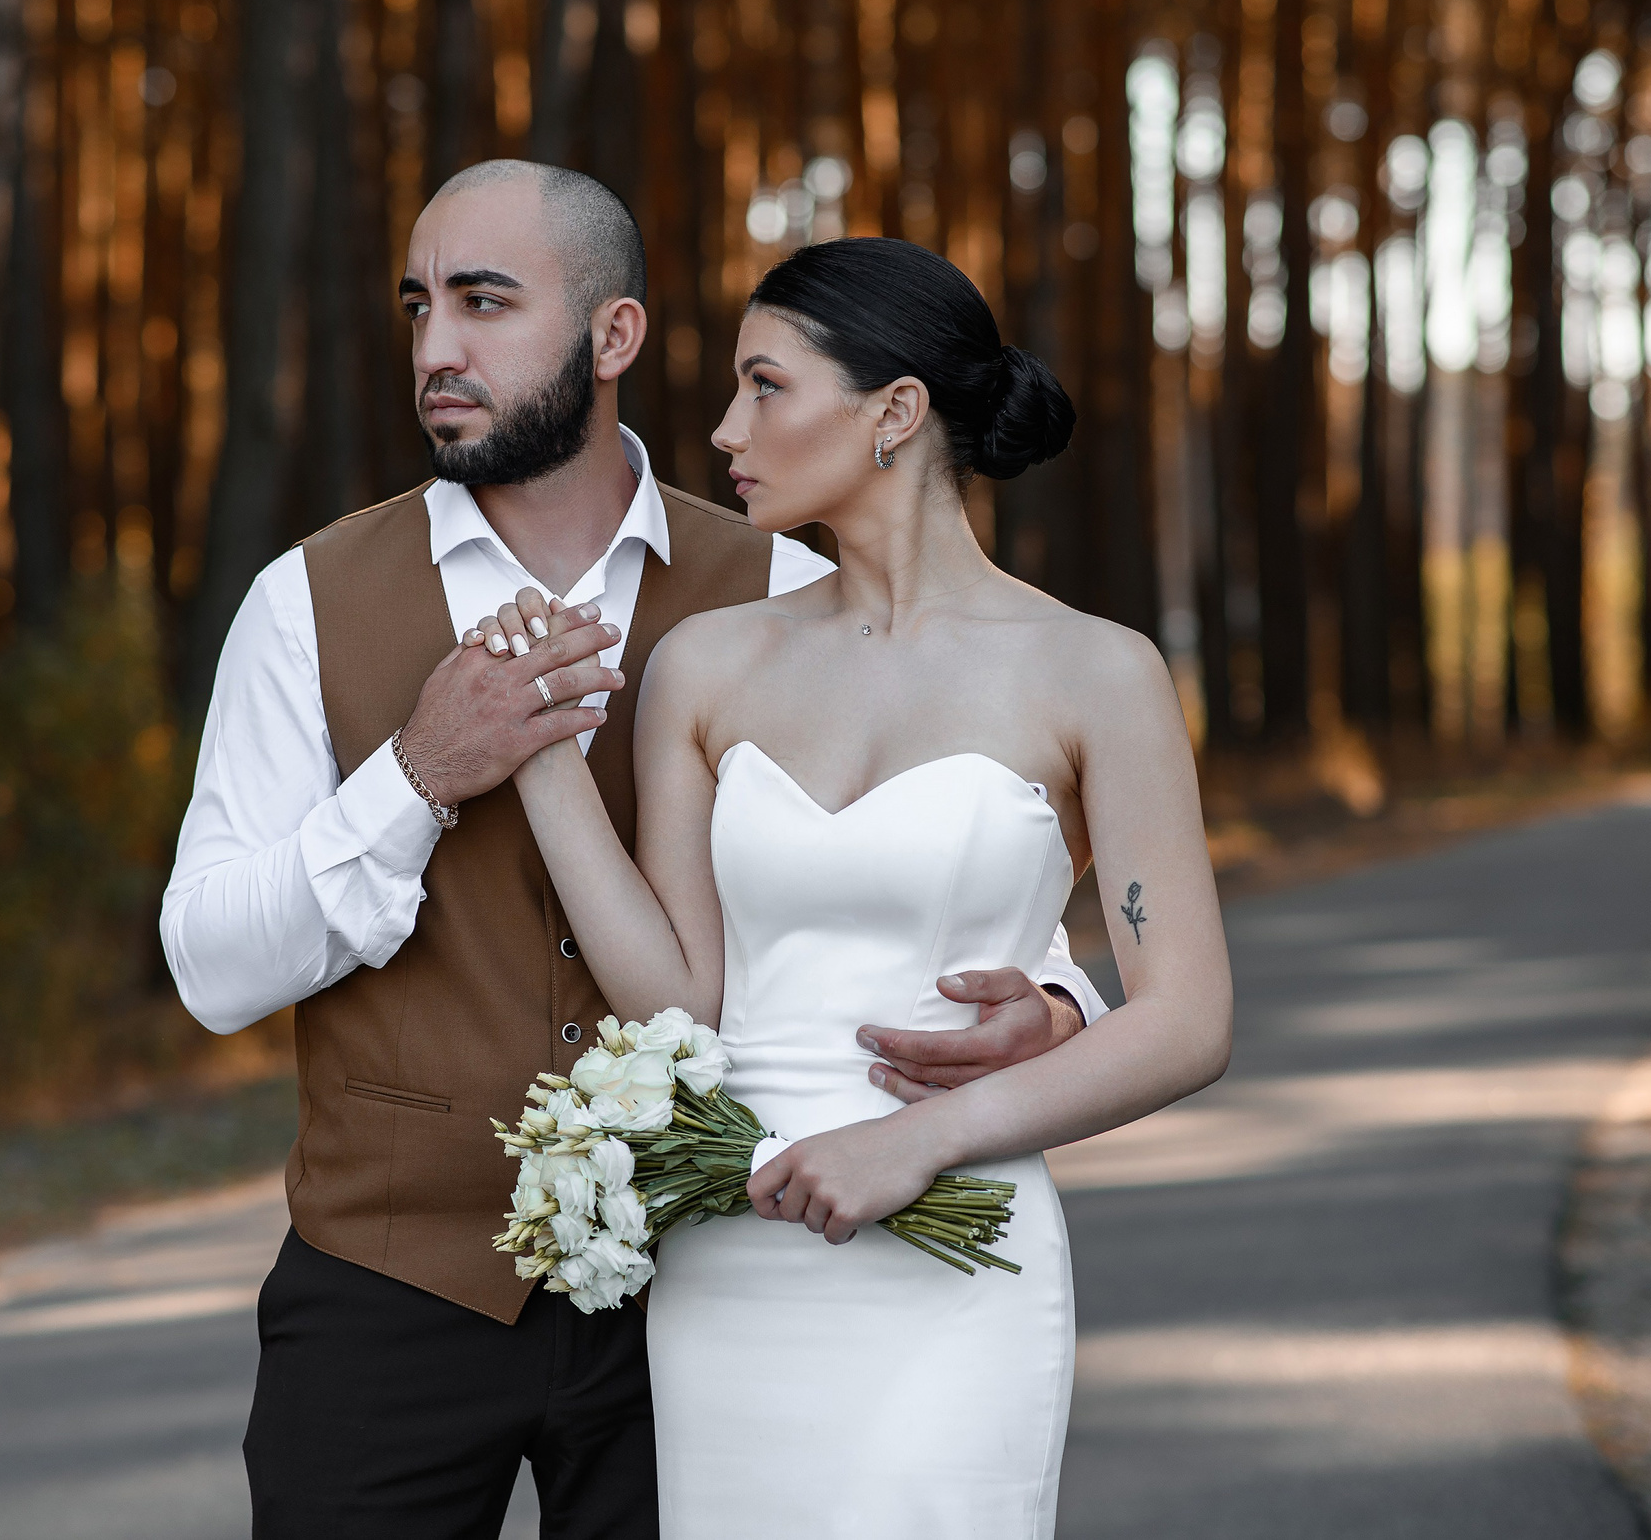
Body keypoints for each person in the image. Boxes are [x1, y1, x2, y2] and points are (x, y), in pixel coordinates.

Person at [158, 163, 1110, 1539]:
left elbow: (957, 864)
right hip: (390, 1287)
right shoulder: (303, 603)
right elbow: (210, 967)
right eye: (419, 307)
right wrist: (420, 774)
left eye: (486, 304)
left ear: (614, 337)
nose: (436, 349)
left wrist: (1058, 1005)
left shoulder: (789, 579)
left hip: (715, 1283)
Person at [460, 236, 1233, 1538]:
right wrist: (538, 767)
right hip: (736, 1248)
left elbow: (1187, 1020)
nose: (721, 428)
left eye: (765, 386)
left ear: (896, 412)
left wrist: (916, 1140)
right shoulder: (705, 664)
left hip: (962, 1235)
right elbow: (681, 1004)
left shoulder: (1097, 673)